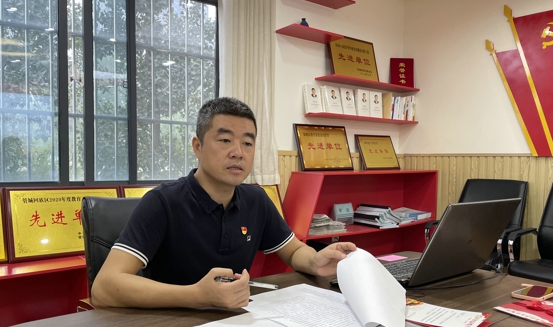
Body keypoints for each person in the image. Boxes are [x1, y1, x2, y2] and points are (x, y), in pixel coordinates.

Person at [92, 97, 356, 310]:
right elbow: (104, 288)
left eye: (247, 143)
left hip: (234, 321)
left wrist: (315, 261)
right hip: (169, 326)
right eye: (225, 140)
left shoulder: (256, 200)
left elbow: (294, 250)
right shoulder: (162, 202)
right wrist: (197, 296)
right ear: (198, 146)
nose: (238, 152)